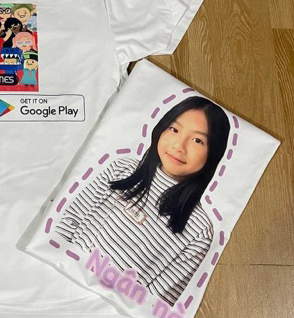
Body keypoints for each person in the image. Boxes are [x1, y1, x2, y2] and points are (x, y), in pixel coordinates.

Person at [55, 96, 230, 306]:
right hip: (59, 274)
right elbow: (69, 222)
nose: (179, 146)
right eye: (174, 129)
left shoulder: (200, 230)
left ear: (213, 154)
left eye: (197, 140)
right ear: (161, 129)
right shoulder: (121, 169)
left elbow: (158, 300)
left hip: (111, 310)